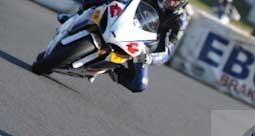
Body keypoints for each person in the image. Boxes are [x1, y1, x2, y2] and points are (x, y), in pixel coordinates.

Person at [60, 0, 189, 93]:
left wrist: (149, 58)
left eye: (176, 0)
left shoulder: (180, 21)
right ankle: (74, 17)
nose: (171, 2)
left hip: (141, 43)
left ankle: (111, 69)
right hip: (124, 22)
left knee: (139, 84)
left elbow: (167, 51)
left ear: (183, 3)